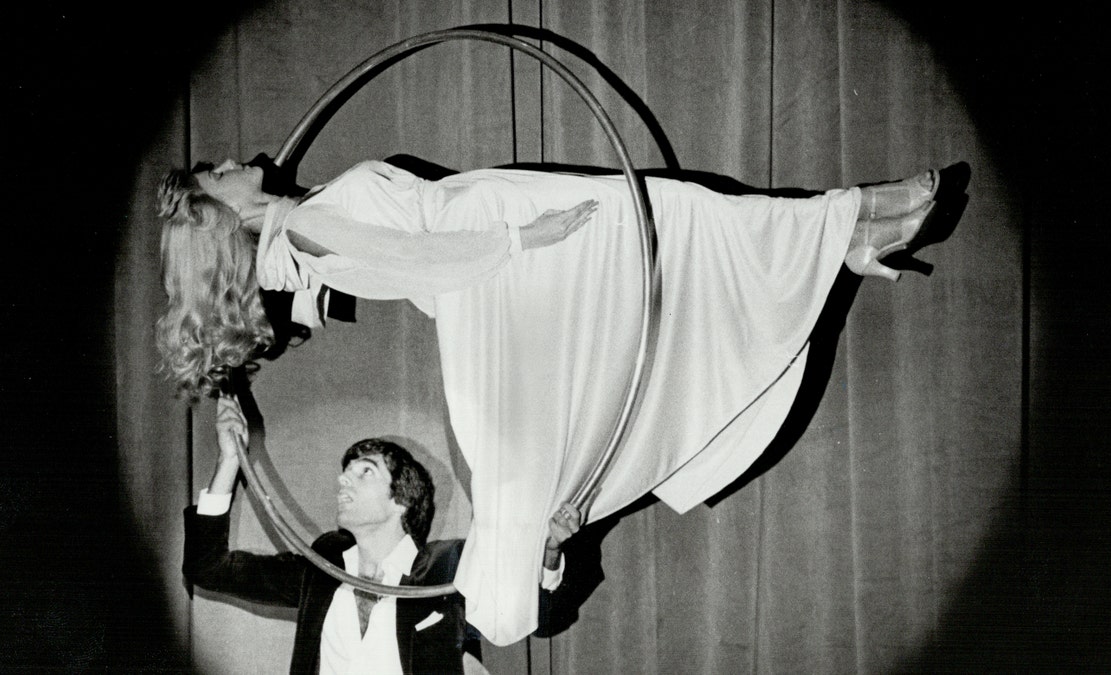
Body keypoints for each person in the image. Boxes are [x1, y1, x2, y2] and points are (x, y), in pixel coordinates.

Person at [159, 155, 969, 643]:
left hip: (496, 254)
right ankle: (844, 231)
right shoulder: (299, 234)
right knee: (665, 224)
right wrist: (522, 241)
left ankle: (845, 236)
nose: (235, 159)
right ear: (221, 205)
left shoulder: (291, 235)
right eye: (218, 171)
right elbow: (414, 256)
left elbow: (322, 289)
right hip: (497, 262)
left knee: (670, 225)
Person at [184, 395, 581, 674]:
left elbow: (544, 616)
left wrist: (550, 551)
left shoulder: (449, 572)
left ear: (400, 501)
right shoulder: (322, 570)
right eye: (346, 470)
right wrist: (229, 461)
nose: (342, 479)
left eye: (365, 471)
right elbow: (208, 568)